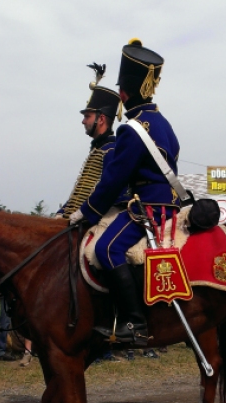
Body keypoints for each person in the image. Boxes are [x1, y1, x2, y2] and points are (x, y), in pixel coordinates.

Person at [69, 39, 179, 345]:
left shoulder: (132, 128)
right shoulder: (162, 123)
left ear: (123, 93)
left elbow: (115, 179)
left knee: (106, 249)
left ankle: (135, 321)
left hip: (150, 205)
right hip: (167, 202)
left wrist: (87, 211)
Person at [57, 68, 123, 218]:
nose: (83, 121)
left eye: (87, 116)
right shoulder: (99, 149)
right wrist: (62, 212)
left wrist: (83, 214)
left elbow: (108, 192)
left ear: (100, 119)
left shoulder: (112, 151)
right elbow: (81, 192)